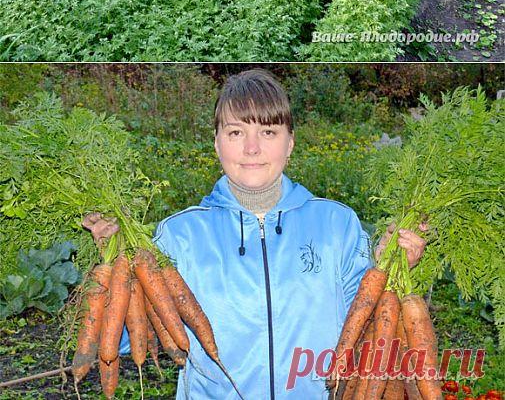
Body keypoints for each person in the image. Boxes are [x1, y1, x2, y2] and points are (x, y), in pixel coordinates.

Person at [83, 69, 426, 399]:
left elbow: (366, 325)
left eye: (268, 132)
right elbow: (128, 338)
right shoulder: (180, 235)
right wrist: (114, 267)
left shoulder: (337, 224)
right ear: (216, 143)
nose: (251, 148)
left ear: (290, 143)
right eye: (235, 133)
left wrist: (387, 268)